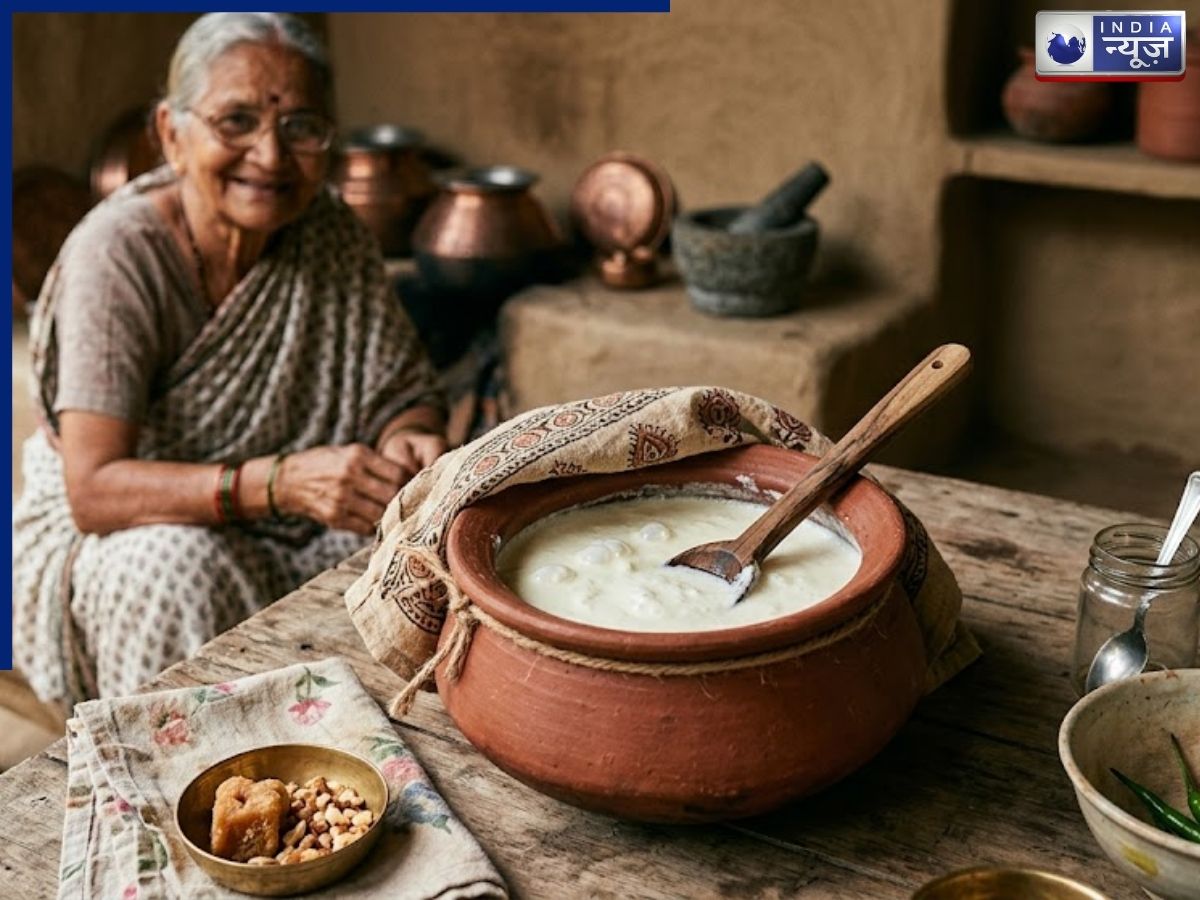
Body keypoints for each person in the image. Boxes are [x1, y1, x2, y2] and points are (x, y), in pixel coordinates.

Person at [13, 12, 447, 706]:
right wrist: (277, 484)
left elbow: (400, 391)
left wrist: (407, 440)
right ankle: (175, 776)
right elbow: (94, 491)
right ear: (171, 135)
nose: (270, 157)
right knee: (169, 568)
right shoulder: (117, 255)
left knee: (423, 549)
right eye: (236, 121)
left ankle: (338, 756)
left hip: (295, 514)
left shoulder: (328, 230)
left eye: (300, 126)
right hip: (136, 529)